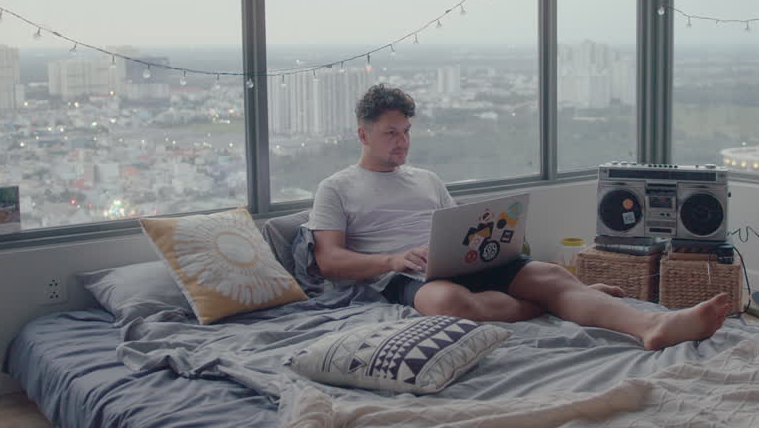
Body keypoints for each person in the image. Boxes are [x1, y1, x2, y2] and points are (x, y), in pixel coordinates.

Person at [308, 84, 730, 350]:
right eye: (390, 133)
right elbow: (330, 260)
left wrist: (484, 236)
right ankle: (552, 305)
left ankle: (652, 324)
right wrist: (392, 259)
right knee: (450, 304)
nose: (402, 142)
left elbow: (459, 229)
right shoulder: (336, 187)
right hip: (404, 276)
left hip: (459, 261)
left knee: (552, 275)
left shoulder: (427, 179)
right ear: (363, 135)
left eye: (406, 131)